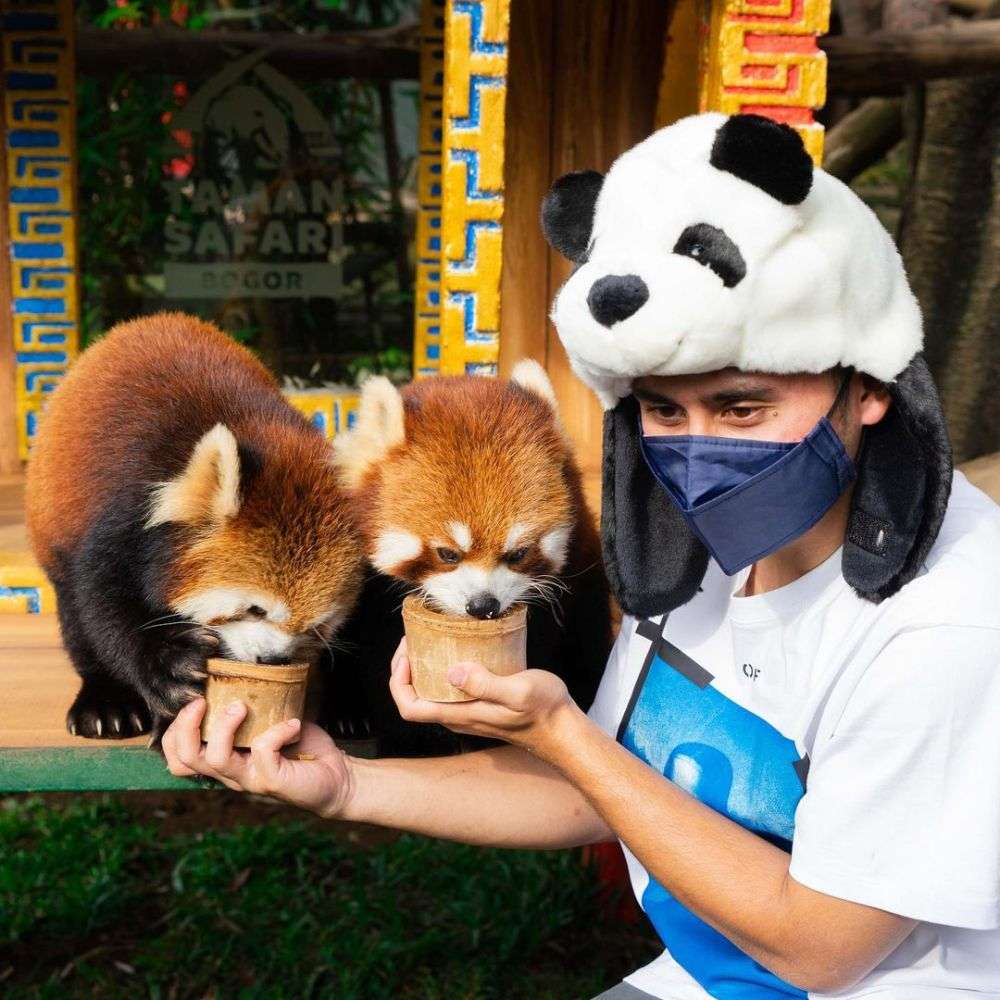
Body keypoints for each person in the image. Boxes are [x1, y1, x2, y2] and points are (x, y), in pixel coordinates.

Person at [162, 113, 1000, 998]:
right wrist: (344, 787)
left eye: (742, 409)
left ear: (866, 387)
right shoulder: (695, 547)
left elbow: (822, 950)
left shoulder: (950, 621)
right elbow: (598, 789)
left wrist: (561, 731)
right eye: (666, 414)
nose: (700, 451)